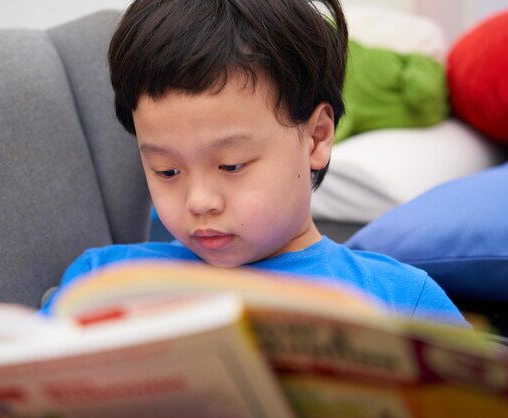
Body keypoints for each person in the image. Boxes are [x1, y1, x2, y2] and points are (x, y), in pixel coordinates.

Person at [42, 0, 469, 327]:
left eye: (231, 166)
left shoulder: (400, 302)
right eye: (166, 171)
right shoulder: (100, 279)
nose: (200, 201)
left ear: (317, 136)